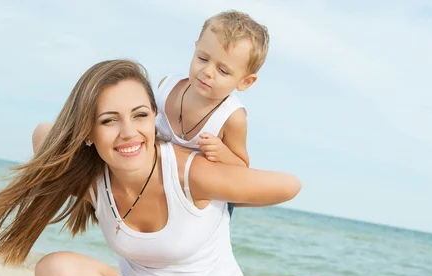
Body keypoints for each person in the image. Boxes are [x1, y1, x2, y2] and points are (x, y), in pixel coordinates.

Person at [0, 59, 340, 276]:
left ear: (155, 118)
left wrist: (228, 162)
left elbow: (289, 186)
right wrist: (77, 134)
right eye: (109, 120)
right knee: (53, 272)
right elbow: (43, 134)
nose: (129, 132)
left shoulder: (188, 170)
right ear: (87, 131)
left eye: (140, 115)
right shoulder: (91, 178)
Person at [33, 10, 269, 217]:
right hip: (157, 176)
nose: (207, 72)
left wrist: (223, 152)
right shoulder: (168, 86)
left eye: (222, 70)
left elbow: (242, 168)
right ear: (195, 48)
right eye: (203, 59)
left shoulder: (232, 117)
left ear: (245, 81)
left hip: (197, 193)